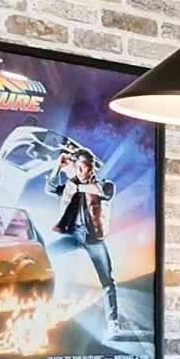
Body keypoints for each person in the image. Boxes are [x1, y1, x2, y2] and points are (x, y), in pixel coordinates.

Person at [47, 139, 125, 329]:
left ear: (92, 168)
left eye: (87, 167)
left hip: (94, 239)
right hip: (72, 235)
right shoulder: (70, 186)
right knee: (45, 256)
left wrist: (77, 187)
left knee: (107, 280)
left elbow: (104, 192)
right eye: (80, 167)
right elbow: (50, 188)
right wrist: (58, 166)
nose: (84, 171)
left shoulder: (102, 185)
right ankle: (45, 306)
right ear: (75, 167)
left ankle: (113, 322)